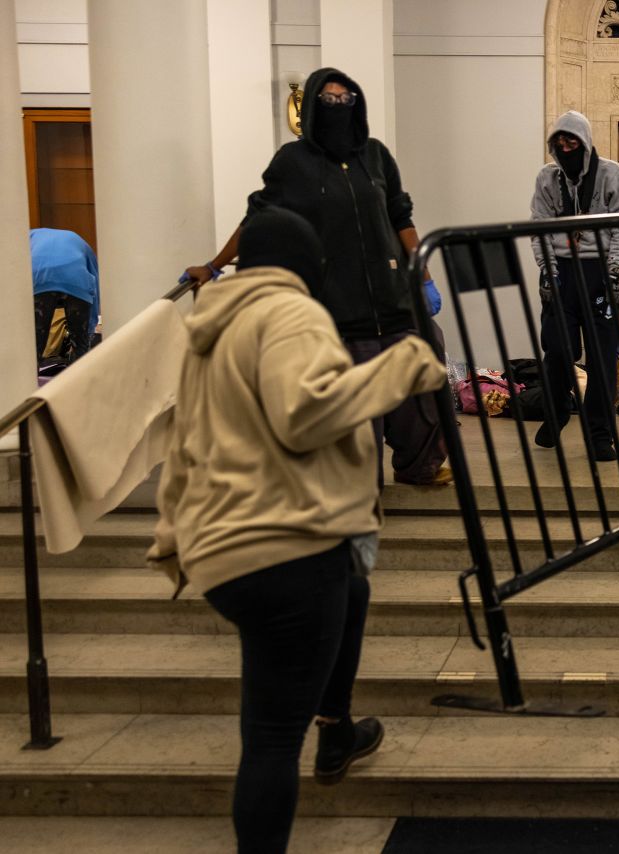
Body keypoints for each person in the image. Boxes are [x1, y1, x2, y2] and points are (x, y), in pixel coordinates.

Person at [149, 208, 447, 854]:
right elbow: (304, 411)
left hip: (225, 554)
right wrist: (404, 367)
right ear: (307, 266)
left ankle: (336, 726)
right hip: (286, 549)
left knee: (354, 590)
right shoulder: (291, 314)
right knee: (273, 741)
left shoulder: (211, 329)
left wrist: (171, 534)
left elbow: (181, 444)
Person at [184, 67, 451, 488]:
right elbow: (258, 217)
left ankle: (420, 465)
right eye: (328, 100)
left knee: (420, 378)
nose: (338, 107)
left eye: (347, 99)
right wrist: (215, 265)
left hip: (393, 298)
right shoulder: (292, 162)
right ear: (311, 106)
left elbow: (400, 214)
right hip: (337, 307)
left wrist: (423, 274)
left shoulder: (377, 155)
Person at [530, 110, 619, 462]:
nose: (565, 146)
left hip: (599, 272)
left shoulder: (612, 174)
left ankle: (599, 435)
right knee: (558, 350)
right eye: (559, 142)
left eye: (572, 141)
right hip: (561, 271)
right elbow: (539, 227)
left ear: (586, 143)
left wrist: (615, 272)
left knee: (603, 360)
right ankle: (557, 412)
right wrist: (547, 270)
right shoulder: (547, 179)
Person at [30, 228, 99, 364]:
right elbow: (95, 286)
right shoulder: (79, 240)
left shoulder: (27, 238)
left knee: (35, 345)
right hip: (77, 281)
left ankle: (29, 381)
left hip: (41, 279)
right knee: (81, 347)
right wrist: (91, 326)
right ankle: (81, 380)